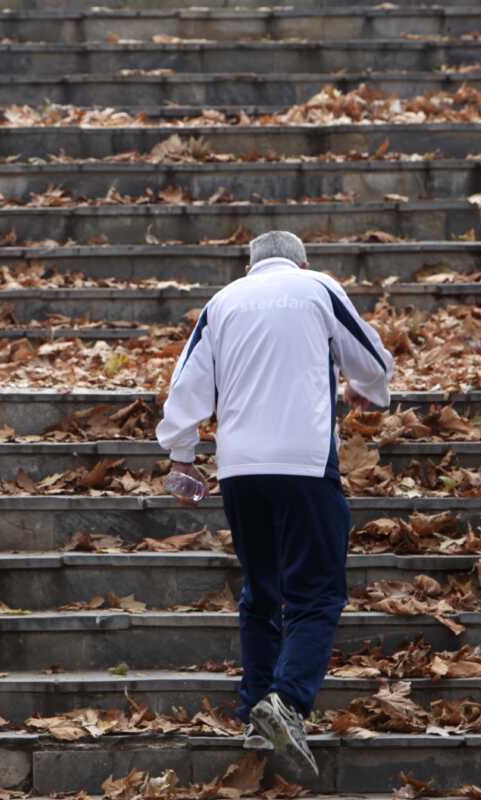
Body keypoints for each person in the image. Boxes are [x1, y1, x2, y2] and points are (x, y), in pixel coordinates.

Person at [155, 230, 393, 773]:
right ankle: (286, 702)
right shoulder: (318, 288)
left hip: (240, 467)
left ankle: (254, 716)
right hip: (305, 462)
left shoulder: (222, 302)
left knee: (262, 593)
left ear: (250, 264)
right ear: (302, 260)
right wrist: (370, 392)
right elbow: (372, 360)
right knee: (317, 593)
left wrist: (182, 456)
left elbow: (188, 384)